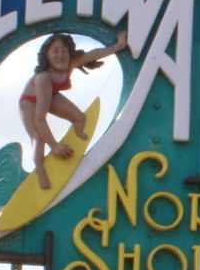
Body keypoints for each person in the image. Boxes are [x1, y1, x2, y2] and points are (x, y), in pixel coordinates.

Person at [18, 31, 125, 188]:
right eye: (55, 51)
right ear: (46, 55)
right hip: (29, 101)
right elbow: (40, 119)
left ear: (70, 52)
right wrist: (54, 146)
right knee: (37, 137)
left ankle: (78, 136)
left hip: (50, 93)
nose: (60, 55)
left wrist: (118, 46)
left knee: (80, 117)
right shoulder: (43, 78)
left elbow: (94, 54)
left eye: (64, 51)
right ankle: (41, 174)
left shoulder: (72, 62)